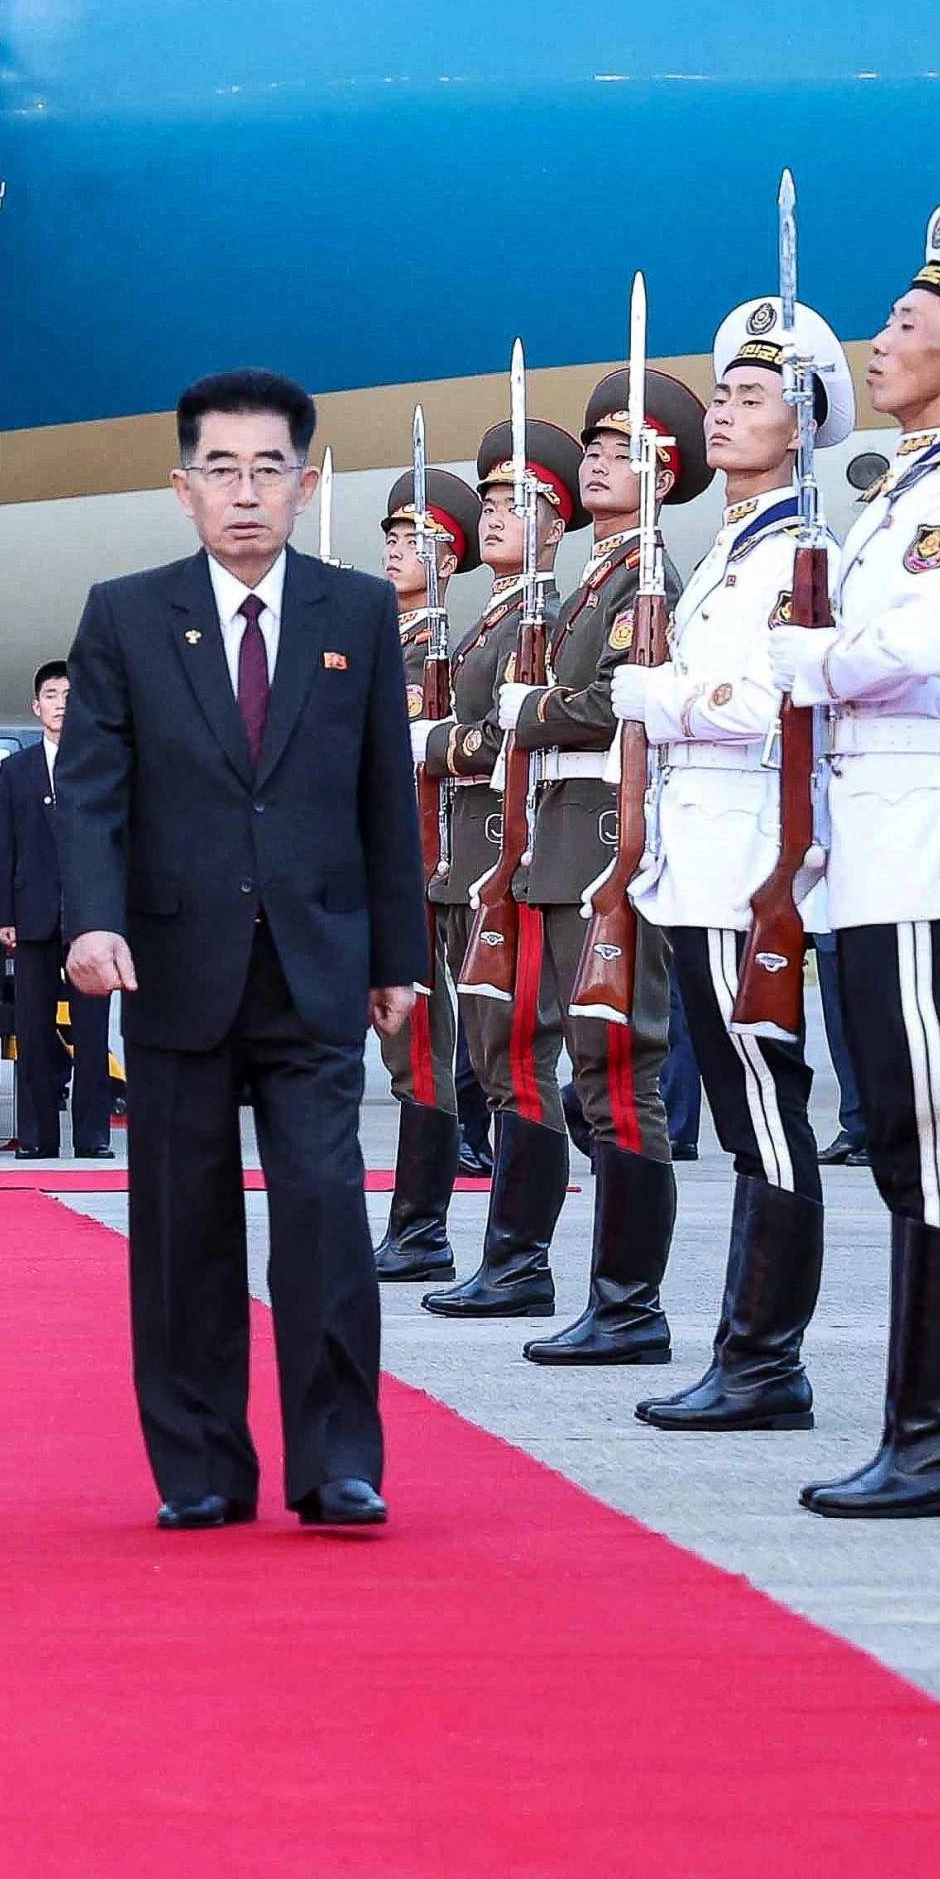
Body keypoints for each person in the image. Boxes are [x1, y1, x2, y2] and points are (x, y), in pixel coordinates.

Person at [58, 367, 421, 1531]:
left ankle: (336, 1464)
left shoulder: (355, 613)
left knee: (324, 1219)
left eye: (270, 469)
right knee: (181, 1231)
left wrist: (396, 956)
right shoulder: (124, 612)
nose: (247, 492)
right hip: (170, 966)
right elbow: (92, 792)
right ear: (183, 488)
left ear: (304, 482)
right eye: (222, 470)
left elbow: (385, 800)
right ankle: (202, 1468)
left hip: (318, 966)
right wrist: (93, 920)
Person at [766, 210, 940, 1519]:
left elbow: (903, 650)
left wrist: (795, 659)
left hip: (923, 849)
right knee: (899, 1150)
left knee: (935, 1147)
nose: (880, 343)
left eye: (908, 330)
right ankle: (916, 1430)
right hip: (870, 851)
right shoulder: (909, 481)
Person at [630, 297, 853, 1435]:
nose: (722, 414)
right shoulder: (734, 543)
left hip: (748, 861)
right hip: (699, 855)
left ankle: (766, 1362)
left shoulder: (801, 549)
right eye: (721, 396)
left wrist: (659, 698)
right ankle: (747, 1351)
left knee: (768, 1112)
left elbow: (764, 701)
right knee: (742, 1111)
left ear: (805, 423)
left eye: (752, 399)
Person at [500, 364, 712, 1366]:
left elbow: (618, 697)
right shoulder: (591, 578)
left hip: (606, 840)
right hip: (563, 834)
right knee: (585, 1071)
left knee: (619, 1070)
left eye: (622, 451)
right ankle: (607, 1292)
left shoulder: (650, 575)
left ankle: (631, 1305)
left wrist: (530, 711)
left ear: (664, 475)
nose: (596, 460)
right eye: (594, 446)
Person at [419, 414, 583, 1323]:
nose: (491, 516)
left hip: (512, 852)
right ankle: (504, 1255)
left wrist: (442, 741)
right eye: (487, 502)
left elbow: (525, 726)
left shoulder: (548, 610)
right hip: (475, 855)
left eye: (515, 504)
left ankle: (522, 1258)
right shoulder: (488, 614)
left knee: (520, 1056)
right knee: (490, 1058)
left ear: (555, 525)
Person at [370, 464, 481, 1281]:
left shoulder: (451, 648)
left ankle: (420, 1231)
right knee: (399, 1052)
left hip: (430, 861)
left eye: (416, 540)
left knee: (422, 1051)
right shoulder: (380, 640)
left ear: (450, 557)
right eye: (393, 538)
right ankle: (410, 1227)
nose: (396, 551)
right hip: (379, 864)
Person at [0, 664, 108, 1158]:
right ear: (36, 708)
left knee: (92, 1031)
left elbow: (116, 843)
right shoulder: (17, 770)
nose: (61, 702)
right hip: (33, 918)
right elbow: (5, 846)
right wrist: (4, 917)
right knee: (32, 1032)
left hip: (90, 921)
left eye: (69, 694)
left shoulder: (103, 764)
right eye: (51, 694)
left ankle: (92, 1138)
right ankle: (36, 1139)